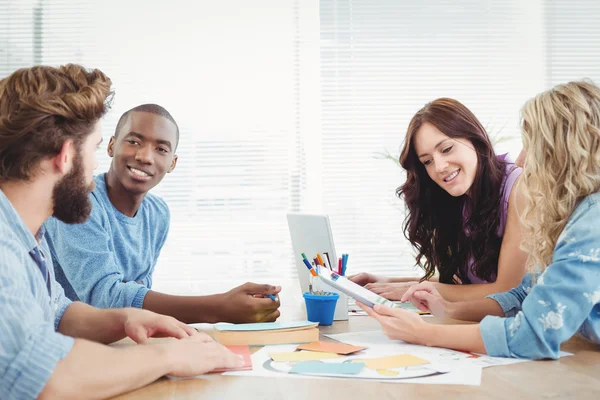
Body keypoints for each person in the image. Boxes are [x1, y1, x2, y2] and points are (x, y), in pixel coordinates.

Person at [0, 65, 242, 400]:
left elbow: (57, 311)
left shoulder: (27, 238)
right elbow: (46, 379)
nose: (95, 167)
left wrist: (126, 318)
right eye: (96, 148)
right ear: (67, 156)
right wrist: (168, 356)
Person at [359, 80, 600, 359]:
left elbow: (533, 333)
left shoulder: (593, 219)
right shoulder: (579, 211)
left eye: (532, 146)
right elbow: (524, 294)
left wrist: (424, 333)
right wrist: (447, 310)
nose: (520, 161)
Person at [44, 104, 281, 324]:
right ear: (110, 146)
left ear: (172, 163)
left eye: (160, 149)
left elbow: (138, 293)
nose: (145, 156)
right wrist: (219, 308)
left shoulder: (157, 214)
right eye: (134, 141)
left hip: (120, 337)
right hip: (68, 342)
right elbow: (105, 299)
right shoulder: (80, 203)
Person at [350, 98, 527, 301]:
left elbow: (507, 291)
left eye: (446, 149)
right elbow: (465, 285)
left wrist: (415, 290)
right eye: (427, 161)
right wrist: (390, 282)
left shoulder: (517, 189)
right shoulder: (465, 199)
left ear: (475, 139)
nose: (439, 167)